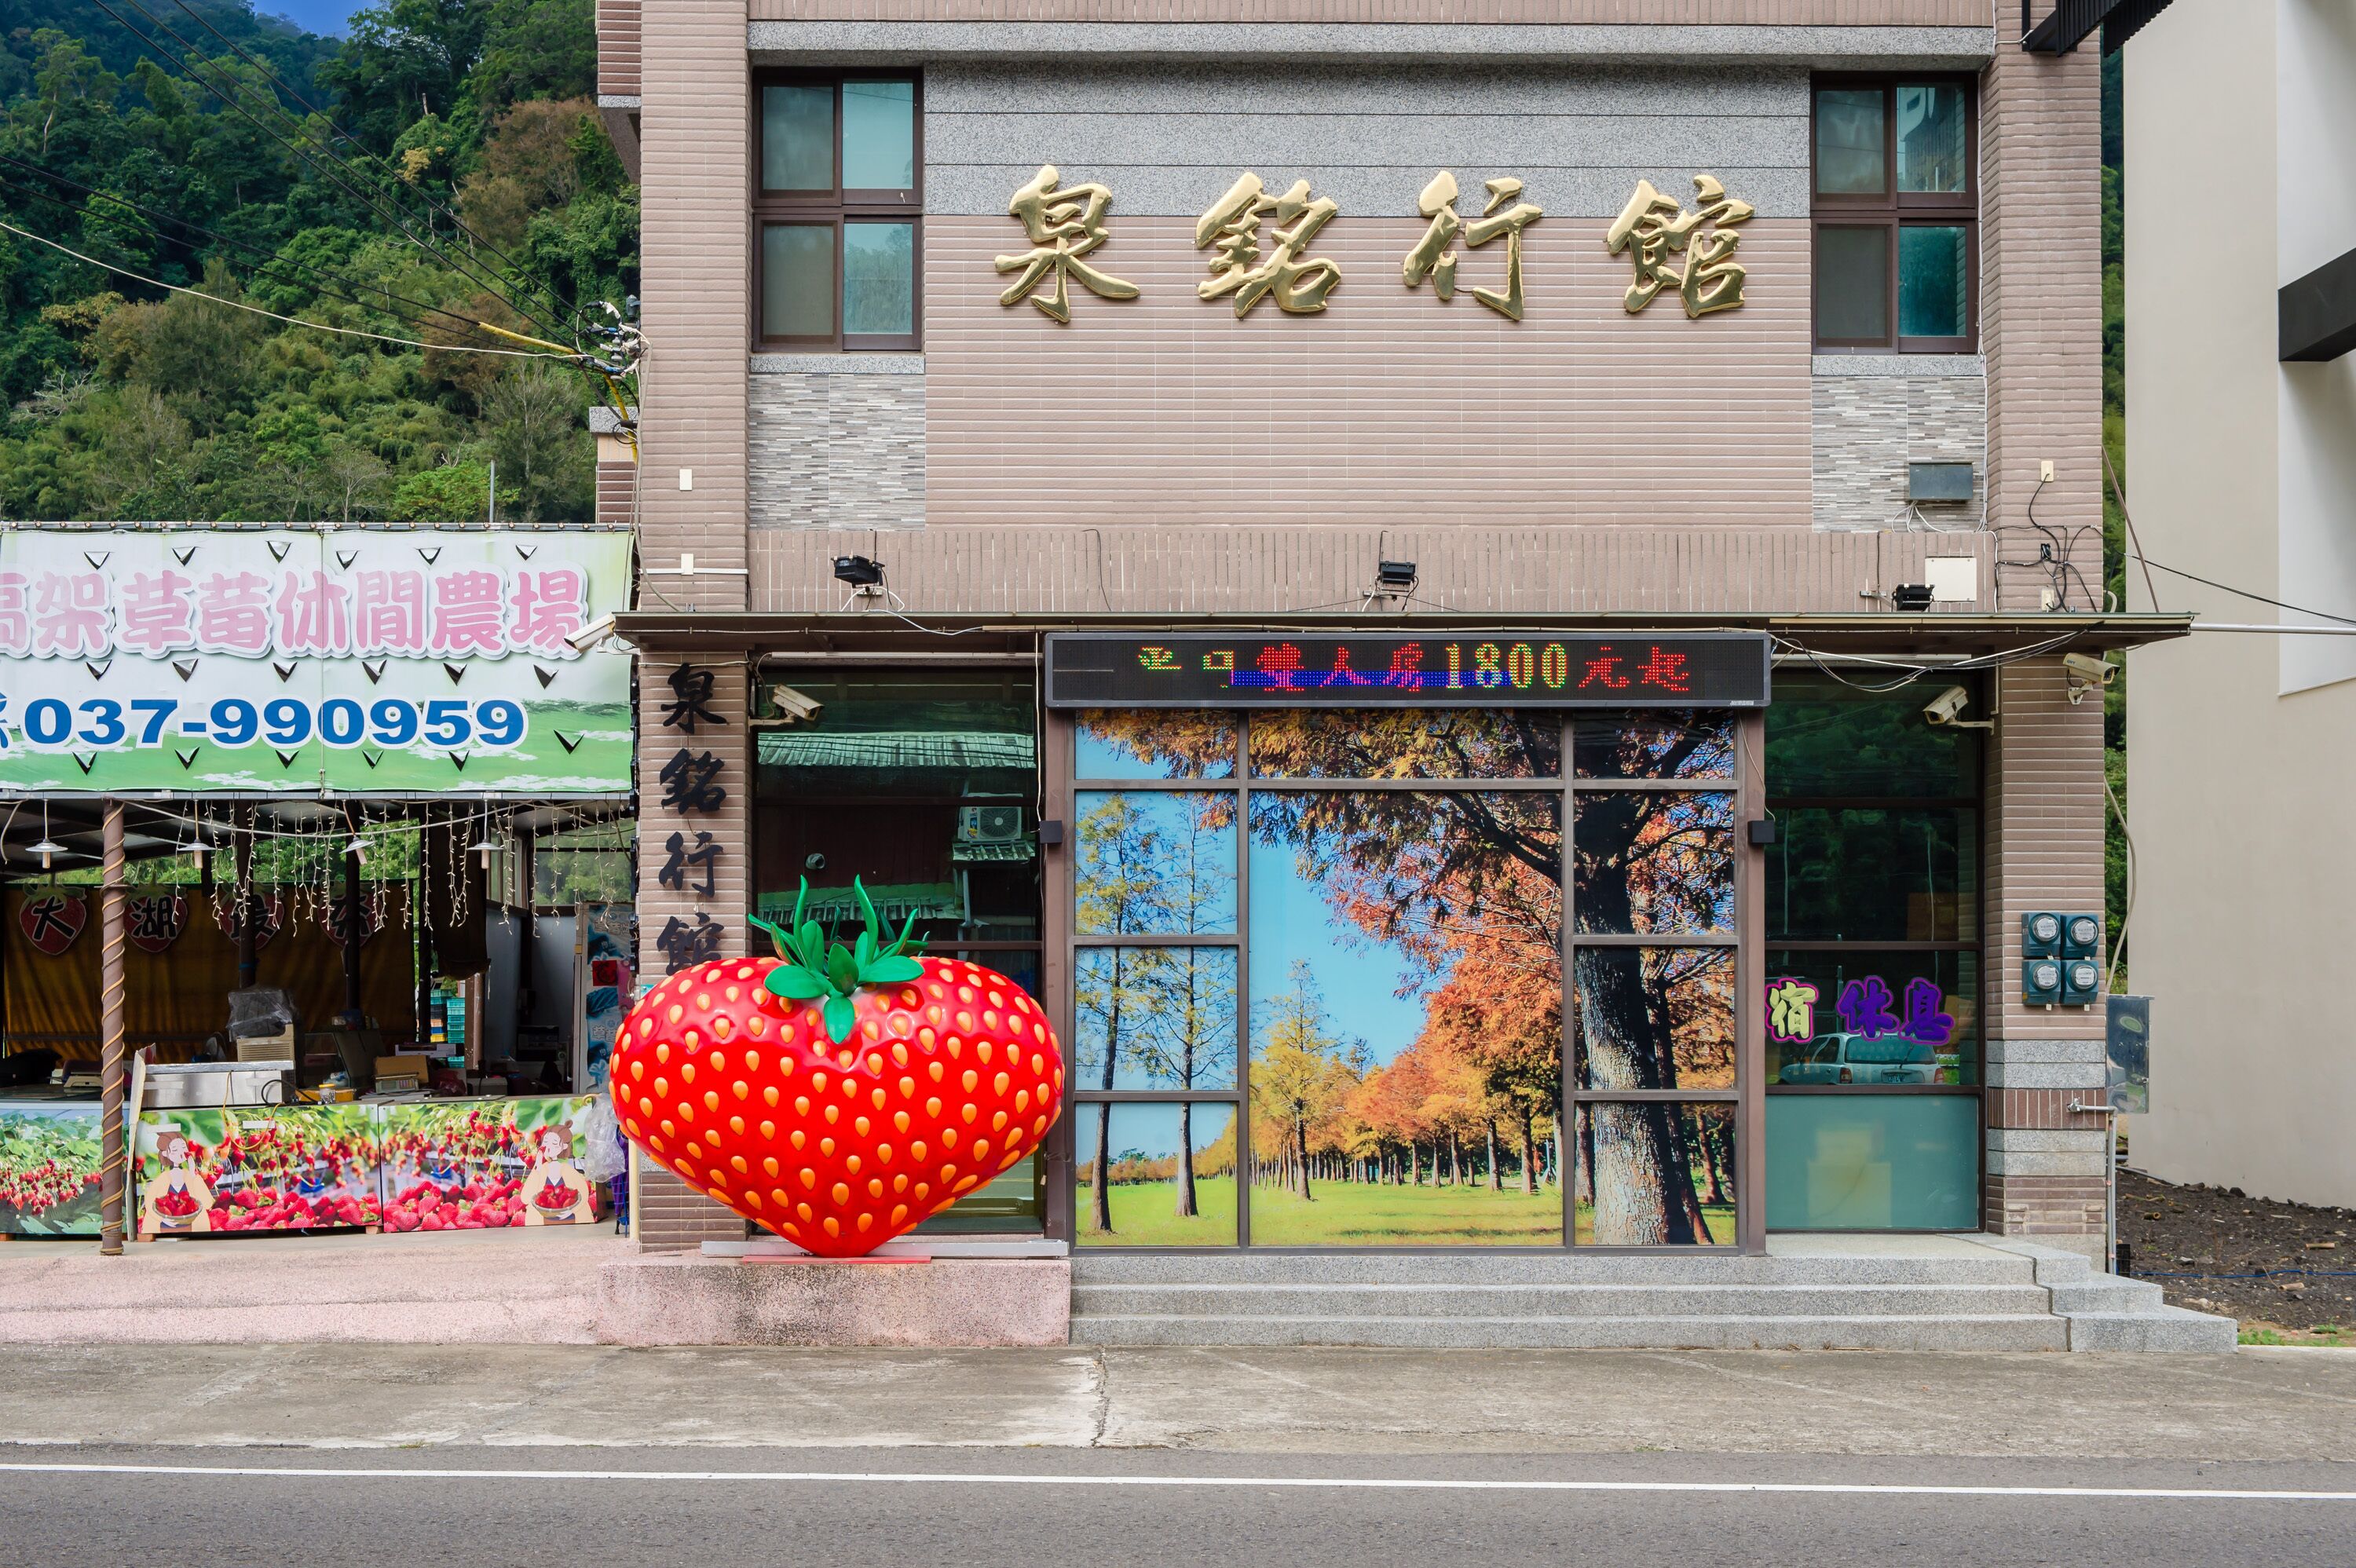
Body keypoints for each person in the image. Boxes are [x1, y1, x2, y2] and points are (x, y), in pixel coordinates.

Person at [518, 1123, 596, 1225]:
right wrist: (538, 1166)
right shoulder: (540, 1171)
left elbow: (583, 1194)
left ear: (563, 1146)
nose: (549, 1147)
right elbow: (526, 1198)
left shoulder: (568, 1171)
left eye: (554, 1143)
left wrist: (571, 1211)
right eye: (546, 1142)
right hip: (542, 1225)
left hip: (572, 1222)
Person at [141, 1128, 214, 1234]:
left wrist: (193, 1174)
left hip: (193, 1229)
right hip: (164, 1230)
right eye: (175, 1150)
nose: (181, 1152)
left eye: (183, 1147)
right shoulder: (162, 1179)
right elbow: (150, 1204)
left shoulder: (191, 1177)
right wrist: (162, 1219)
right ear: (166, 1154)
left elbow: (207, 1203)